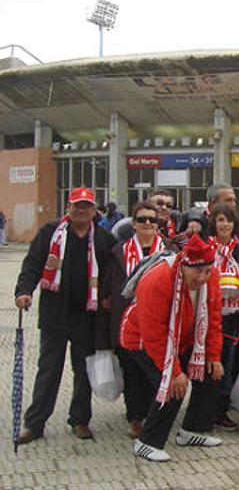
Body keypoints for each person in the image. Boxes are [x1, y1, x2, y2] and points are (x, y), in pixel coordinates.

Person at [13, 187, 116, 445]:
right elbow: (33, 264)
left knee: (83, 371)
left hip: (87, 316)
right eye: (76, 206)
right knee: (48, 370)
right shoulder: (51, 233)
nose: (81, 210)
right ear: (68, 208)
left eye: (86, 206)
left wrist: (109, 297)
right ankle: (35, 423)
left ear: (94, 210)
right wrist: (24, 291)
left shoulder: (104, 239)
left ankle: (80, 420)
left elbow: (113, 274)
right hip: (55, 315)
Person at [120, 234, 224, 462]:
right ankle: (147, 442)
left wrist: (214, 356)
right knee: (170, 385)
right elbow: (154, 334)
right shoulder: (158, 280)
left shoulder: (211, 278)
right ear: (185, 265)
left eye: (208, 271)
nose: (204, 277)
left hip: (182, 338)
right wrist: (176, 371)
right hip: (140, 338)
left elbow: (214, 319)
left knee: (211, 374)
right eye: (198, 271)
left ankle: (193, 430)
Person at [100, 201, 167, 439]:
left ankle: (154, 413)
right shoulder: (120, 251)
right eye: (141, 219)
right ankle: (135, 418)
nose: (147, 223)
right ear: (134, 224)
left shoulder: (168, 251)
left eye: (152, 219)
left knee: (155, 372)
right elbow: (109, 288)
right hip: (129, 323)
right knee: (133, 373)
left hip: (159, 323)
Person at [206, 203, 239, 431]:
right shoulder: (207, 248)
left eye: (228, 220)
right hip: (210, 314)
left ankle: (221, 410)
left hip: (234, 316)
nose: (224, 224)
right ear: (213, 223)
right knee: (211, 362)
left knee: (229, 362)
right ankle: (206, 409)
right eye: (220, 220)